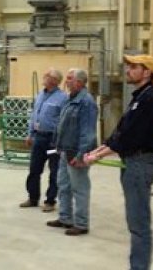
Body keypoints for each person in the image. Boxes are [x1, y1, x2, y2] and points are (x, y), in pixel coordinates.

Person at [85, 54, 153, 270]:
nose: (128, 70)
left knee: (139, 224)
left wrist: (98, 156)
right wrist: (98, 150)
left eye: (133, 67)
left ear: (147, 72)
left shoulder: (150, 99)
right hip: (132, 162)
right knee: (135, 222)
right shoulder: (140, 98)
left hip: (139, 163)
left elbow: (130, 137)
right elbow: (120, 133)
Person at [46, 68, 97, 236]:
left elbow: (87, 132)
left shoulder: (86, 102)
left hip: (76, 152)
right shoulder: (70, 99)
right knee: (64, 185)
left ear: (80, 83)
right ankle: (65, 218)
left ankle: (81, 224)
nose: (66, 82)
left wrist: (82, 154)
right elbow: (63, 124)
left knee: (79, 188)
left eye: (70, 79)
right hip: (65, 150)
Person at [20, 68, 68, 212]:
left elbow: (64, 121)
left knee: (54, 170)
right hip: (39, 137)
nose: (43, 77)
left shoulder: (62, 98)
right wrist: (30, 134)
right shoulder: (40, 95)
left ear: (54, 80)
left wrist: (60, 140)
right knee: (34, 169)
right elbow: (34, 115)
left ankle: (50, 201)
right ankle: (33, 198)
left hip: (53, 140)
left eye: (46, 76)